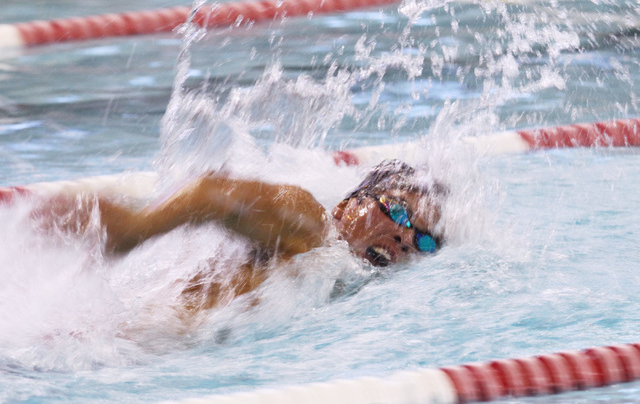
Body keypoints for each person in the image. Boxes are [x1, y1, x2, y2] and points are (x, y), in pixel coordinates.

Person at [34, 159, 446, 311]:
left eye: (424, 241)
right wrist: (137, 230)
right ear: (346, 205)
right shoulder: (314, 227)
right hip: (118, 351)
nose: (404, 238)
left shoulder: (347, 283)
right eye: (397, 212)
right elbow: (212, 193)